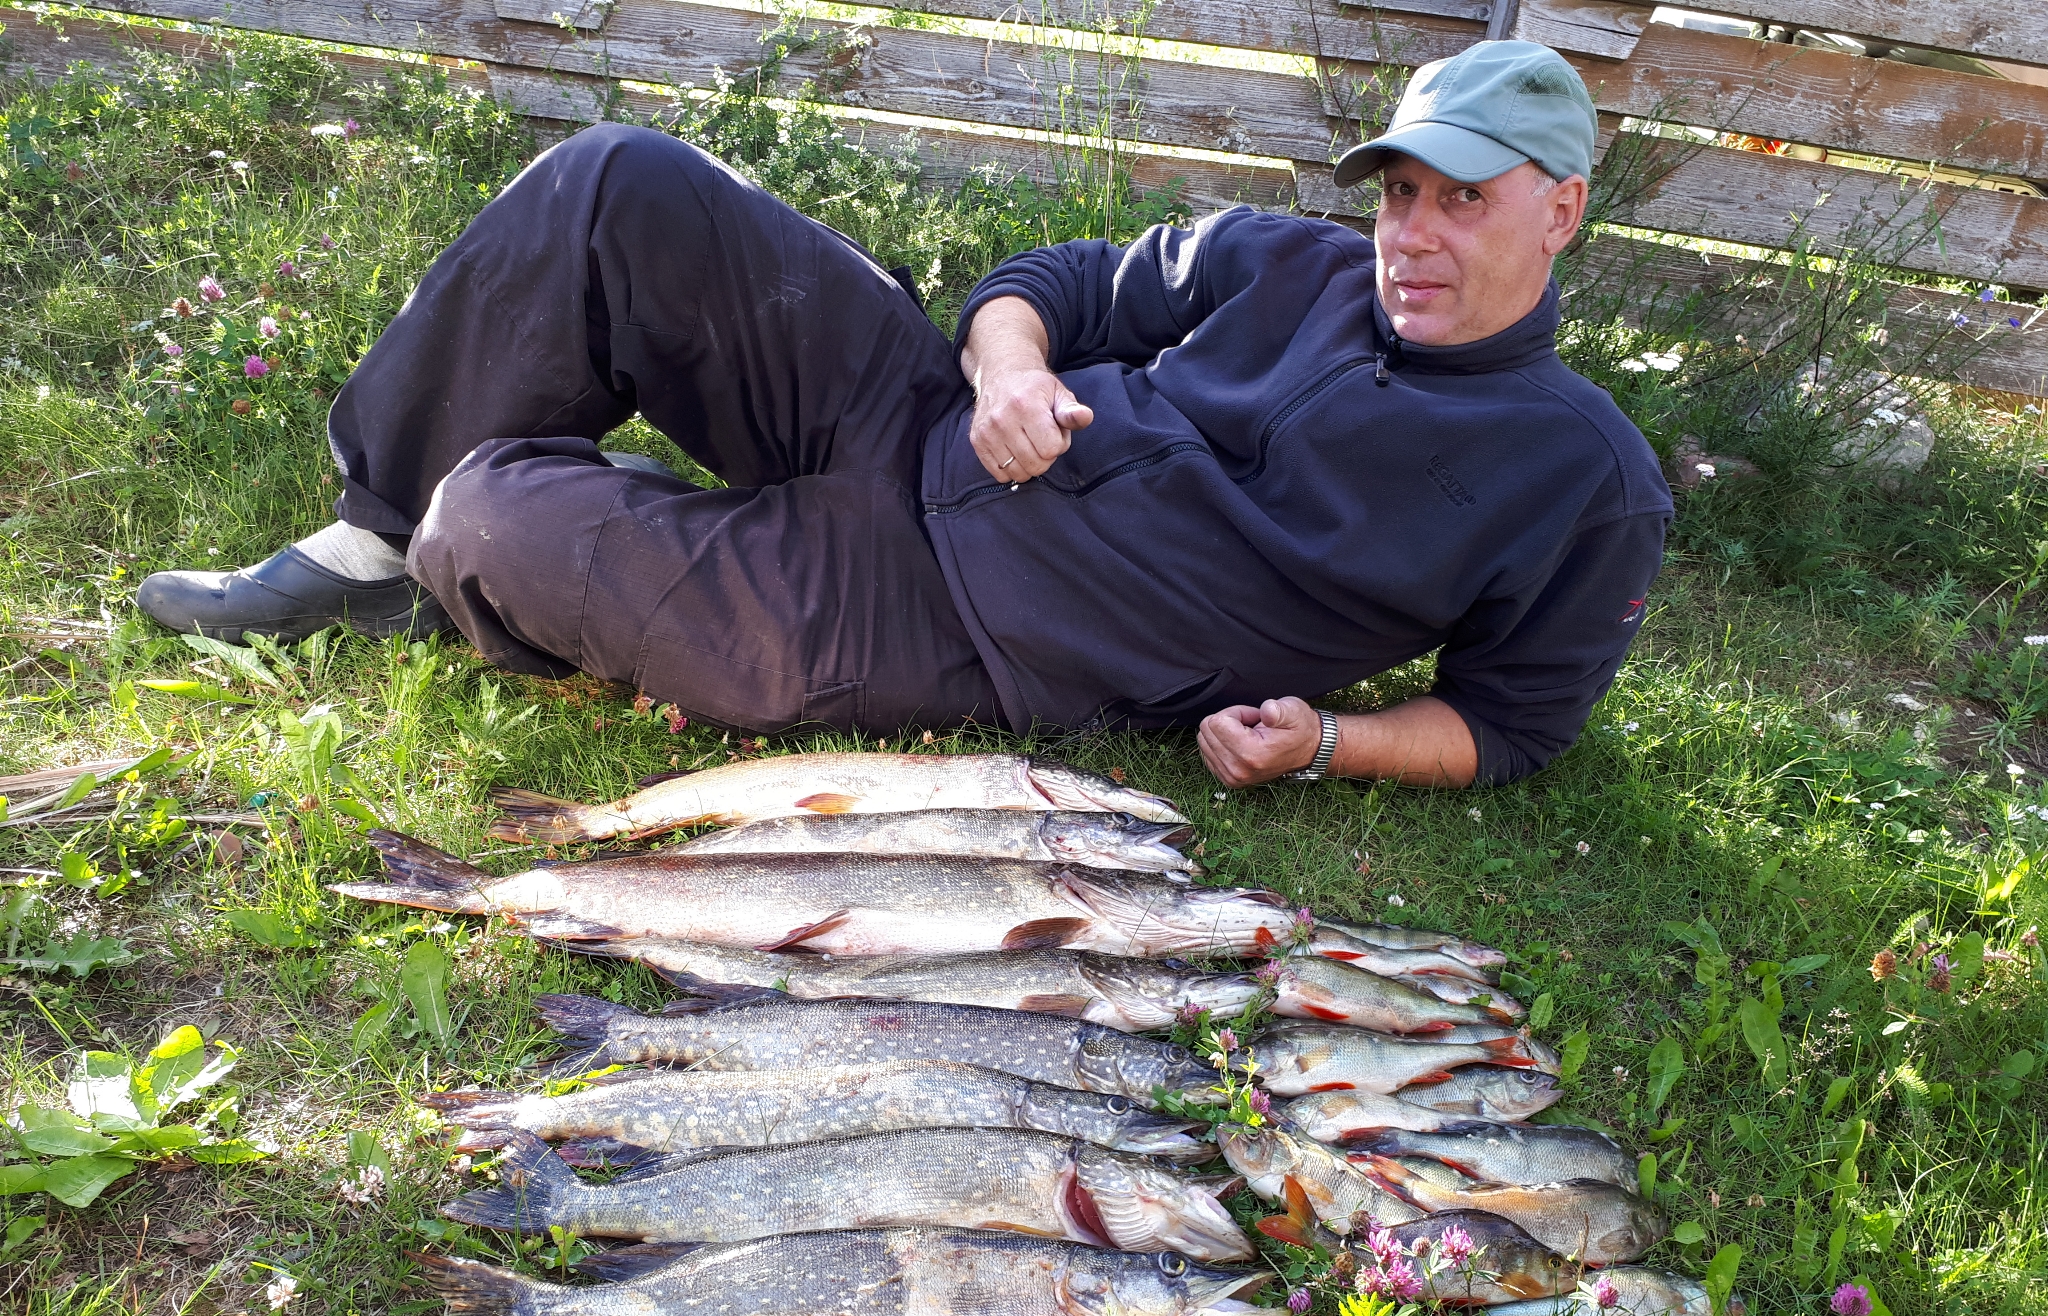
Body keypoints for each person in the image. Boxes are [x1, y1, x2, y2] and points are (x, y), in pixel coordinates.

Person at [137, 39, 1671, 791]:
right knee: (621, 181)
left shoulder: (1585, 476)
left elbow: (1515, 724)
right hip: (919, 419)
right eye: (1401, 191)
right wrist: (1008, 371)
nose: (1412, 233)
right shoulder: (1292, 259)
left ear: (1565, 212)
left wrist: (1335, 740)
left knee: (499, 519)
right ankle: (369, 537)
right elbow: (1050, 280)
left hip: (958, 625)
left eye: (1461, 201)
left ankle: (503, 547)